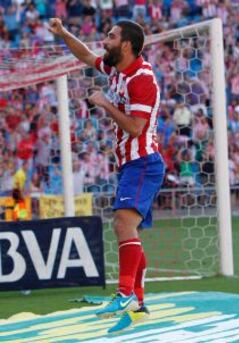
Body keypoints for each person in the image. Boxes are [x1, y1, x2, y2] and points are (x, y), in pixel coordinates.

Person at [48, 18, 165, 333]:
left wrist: (104, 103)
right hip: (132, 164)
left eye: (110, 36)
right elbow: (86, 56)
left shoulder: (141, 78)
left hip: (143, 162)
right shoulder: (118, 69)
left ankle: (125, 294)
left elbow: (136, 127)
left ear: (126, 44)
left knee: (122, 224)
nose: (105, 40)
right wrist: (63, 33)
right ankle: (139, 305)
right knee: (131, 232)